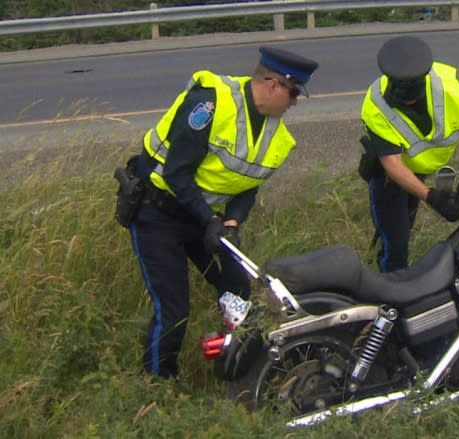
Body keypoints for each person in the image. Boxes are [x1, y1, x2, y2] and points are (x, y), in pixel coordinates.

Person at [121, 46, 319, 378]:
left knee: (237, 291)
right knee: (173, 311)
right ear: (272, 84)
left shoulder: (278, 136)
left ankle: (234, 364)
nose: (295, 102)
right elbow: (176, 172)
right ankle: (156, 383)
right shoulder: (210, 103)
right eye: (294, 93)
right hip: (158, 212)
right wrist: (210, 220)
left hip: (205, 220)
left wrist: (231, 221)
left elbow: (248, 185)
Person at [358, 36, 459, 272]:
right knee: (396, 242)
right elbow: (392, 165)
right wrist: (432, 198)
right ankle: (390, 291)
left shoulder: (444, 85)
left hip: (419, 170)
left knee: (404, 223)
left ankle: (379, 262)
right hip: (388, 178)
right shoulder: (375, 104)